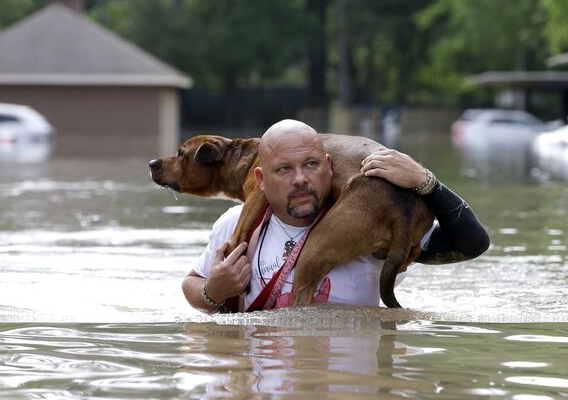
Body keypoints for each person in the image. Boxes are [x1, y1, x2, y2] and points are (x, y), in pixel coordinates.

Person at [182, 119, 490, 313]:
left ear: (330, 165)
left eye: (311, 165)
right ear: (260, 179)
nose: (300, 178)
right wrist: (213, 292)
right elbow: (191, 285)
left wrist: (428, 183)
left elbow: (472, 243)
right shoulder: (234, 225)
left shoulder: (367, 228)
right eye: (285, 169)